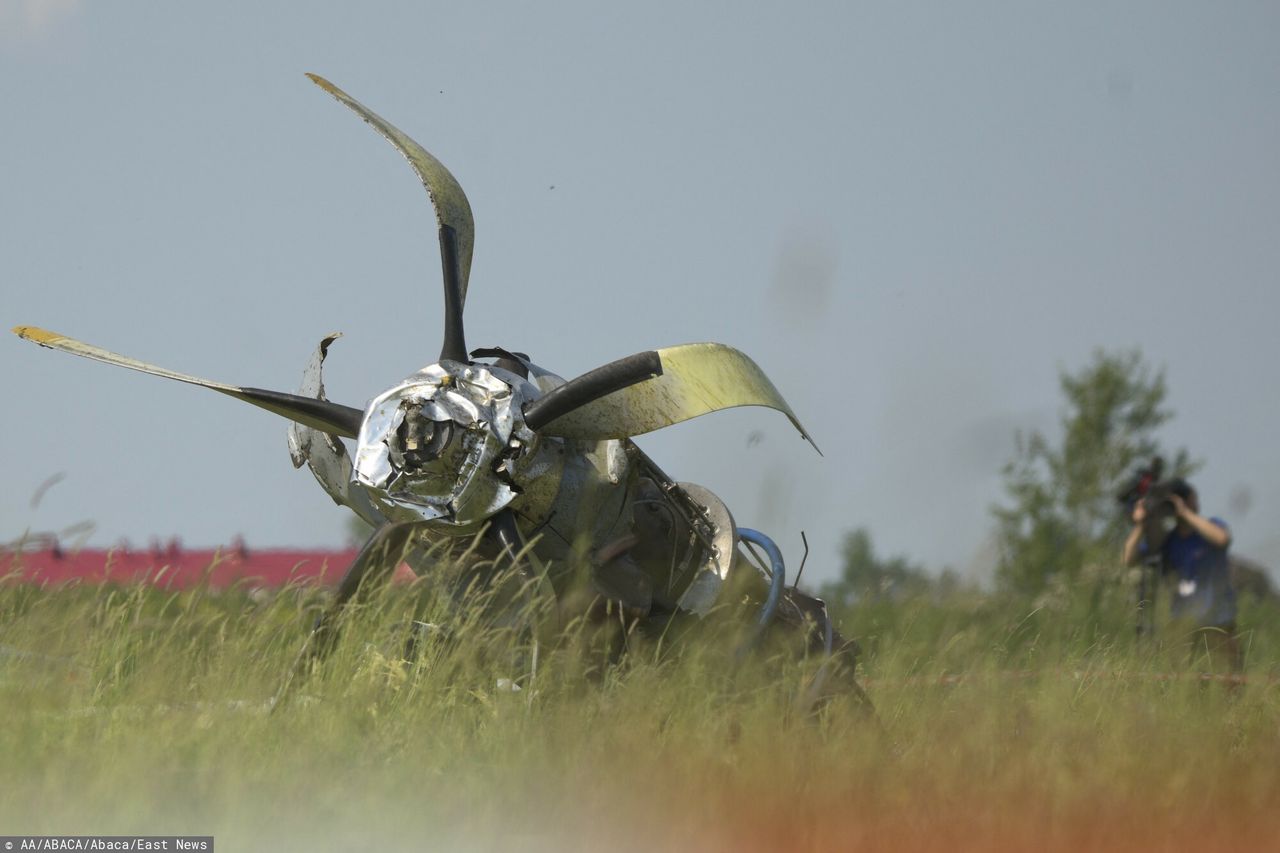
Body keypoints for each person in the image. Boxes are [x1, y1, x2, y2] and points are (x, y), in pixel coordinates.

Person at [1122, 480, 1241, 673]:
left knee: (1230, 684)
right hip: (1182, 625)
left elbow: (1222, 539)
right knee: (1182, 684)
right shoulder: (1168, 540)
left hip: (1219, 621)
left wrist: (1186, 513)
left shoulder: (1212, 526)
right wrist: (1141, 524)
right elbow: (1129, 558)